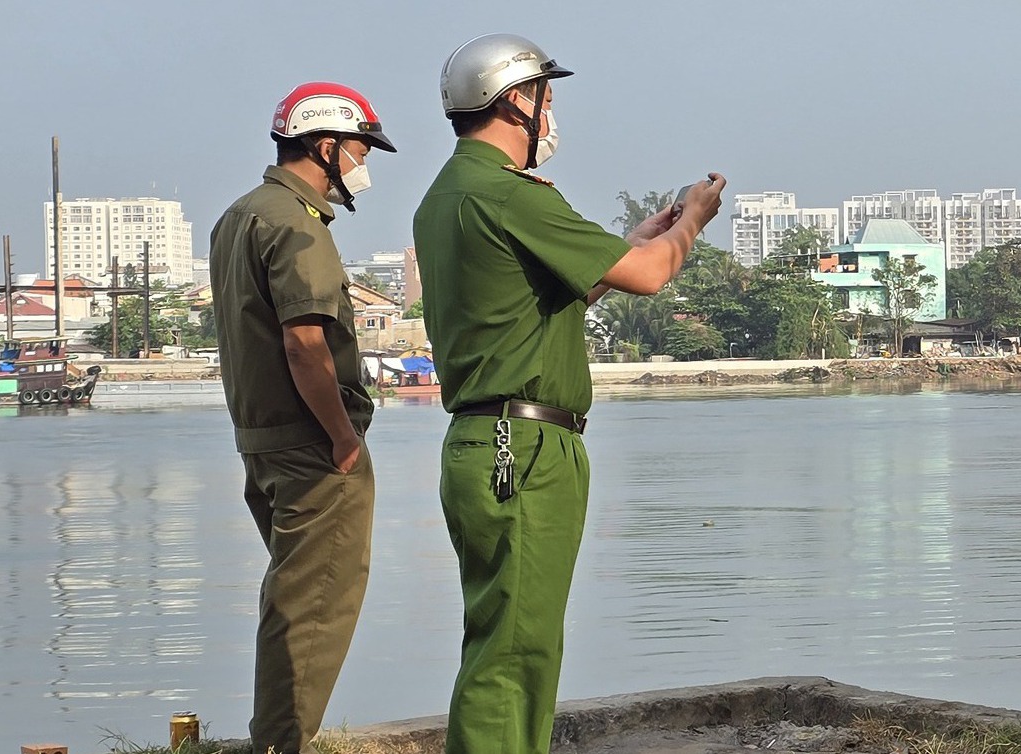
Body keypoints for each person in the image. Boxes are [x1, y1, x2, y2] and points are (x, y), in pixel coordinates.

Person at [413, 33, 725, 754]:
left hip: (488, 440)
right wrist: (690, 225)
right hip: (520, 446)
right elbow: (647, 277)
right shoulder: (504, 192)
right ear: (516, 101)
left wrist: (637, 238)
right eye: (545, 96)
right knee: (515, 653)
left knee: (507, 642)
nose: (550, 113)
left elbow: (525, 304)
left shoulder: (448, 195)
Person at [209, 81, 396, 754]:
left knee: (292, 599)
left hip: (260, 441)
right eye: (359, 149)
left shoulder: (240, 215)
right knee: (316, 607)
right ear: (326, 146)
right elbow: (304, 339)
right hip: (312, 447)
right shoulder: (295, 223)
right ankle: (280, 745)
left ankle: (273, 740)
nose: (362, 164)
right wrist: (342, 437)